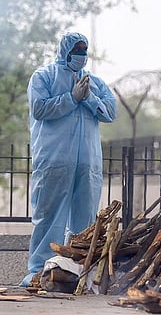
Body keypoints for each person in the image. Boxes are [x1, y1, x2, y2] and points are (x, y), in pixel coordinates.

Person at [20, 32, 117, 287]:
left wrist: (88, 98)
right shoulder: (43, 77)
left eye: (85, 50)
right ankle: (39, 272)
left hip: (87, 165)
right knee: (49, 218)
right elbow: (39, 109)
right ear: (65, 50)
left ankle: (77, 275)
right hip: (54, 161)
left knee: (84, 224)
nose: (82, 54)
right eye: (77, 49)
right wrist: (71, 98)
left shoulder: (94, 82)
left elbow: (110, 112)